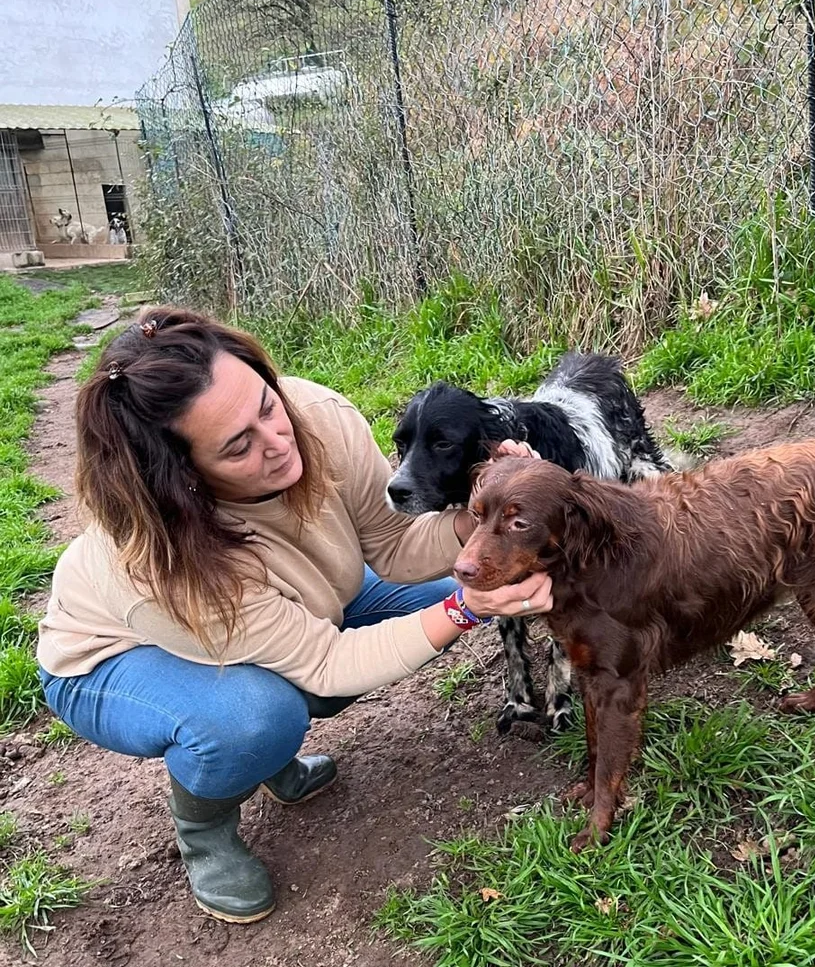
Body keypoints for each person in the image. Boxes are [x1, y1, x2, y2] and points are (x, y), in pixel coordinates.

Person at [35, 306, 553, 924]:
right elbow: (327, 663)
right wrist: (465, 609)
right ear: (181, 477)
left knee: (422, 604)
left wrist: (480, 513)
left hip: (287, 606)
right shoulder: (155, 557)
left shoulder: (315, 417)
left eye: (264, 405)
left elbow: (391, 546)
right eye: (237, 446)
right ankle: (206, 831)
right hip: (109, 657)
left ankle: (270, 754)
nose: (279, 442)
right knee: (256, 715)